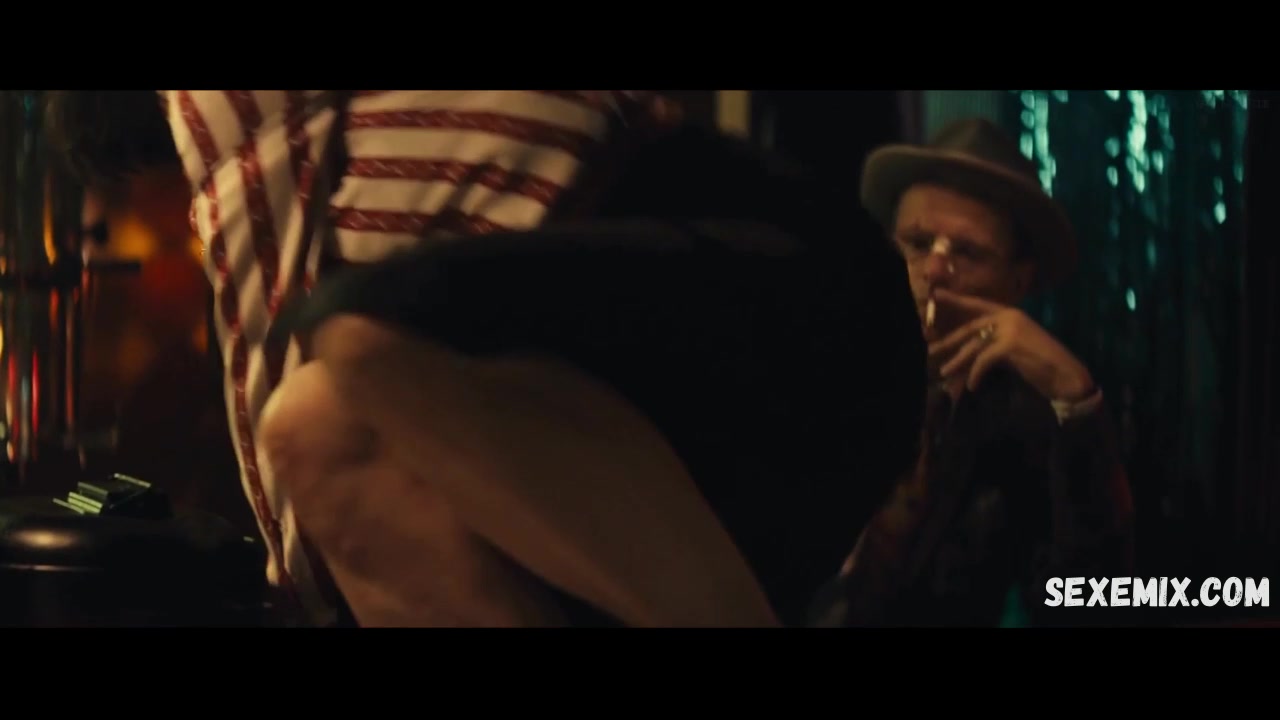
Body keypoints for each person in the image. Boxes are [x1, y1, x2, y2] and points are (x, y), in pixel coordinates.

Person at [42, 90, 927, 627]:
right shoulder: (369, 155)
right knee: (323, 424)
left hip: (793, 312)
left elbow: (268, 363)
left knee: (345, 352)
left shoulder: (241, 133)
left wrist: (285, 584)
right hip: (702, 417)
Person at [810, 117, 1136, 627]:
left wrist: (1075, 398)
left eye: (967, 252)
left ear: (1017, 282)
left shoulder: (1028, 425)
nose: (935, 270)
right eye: (918, 242)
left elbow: (1097, 598)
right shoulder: (822, 372)